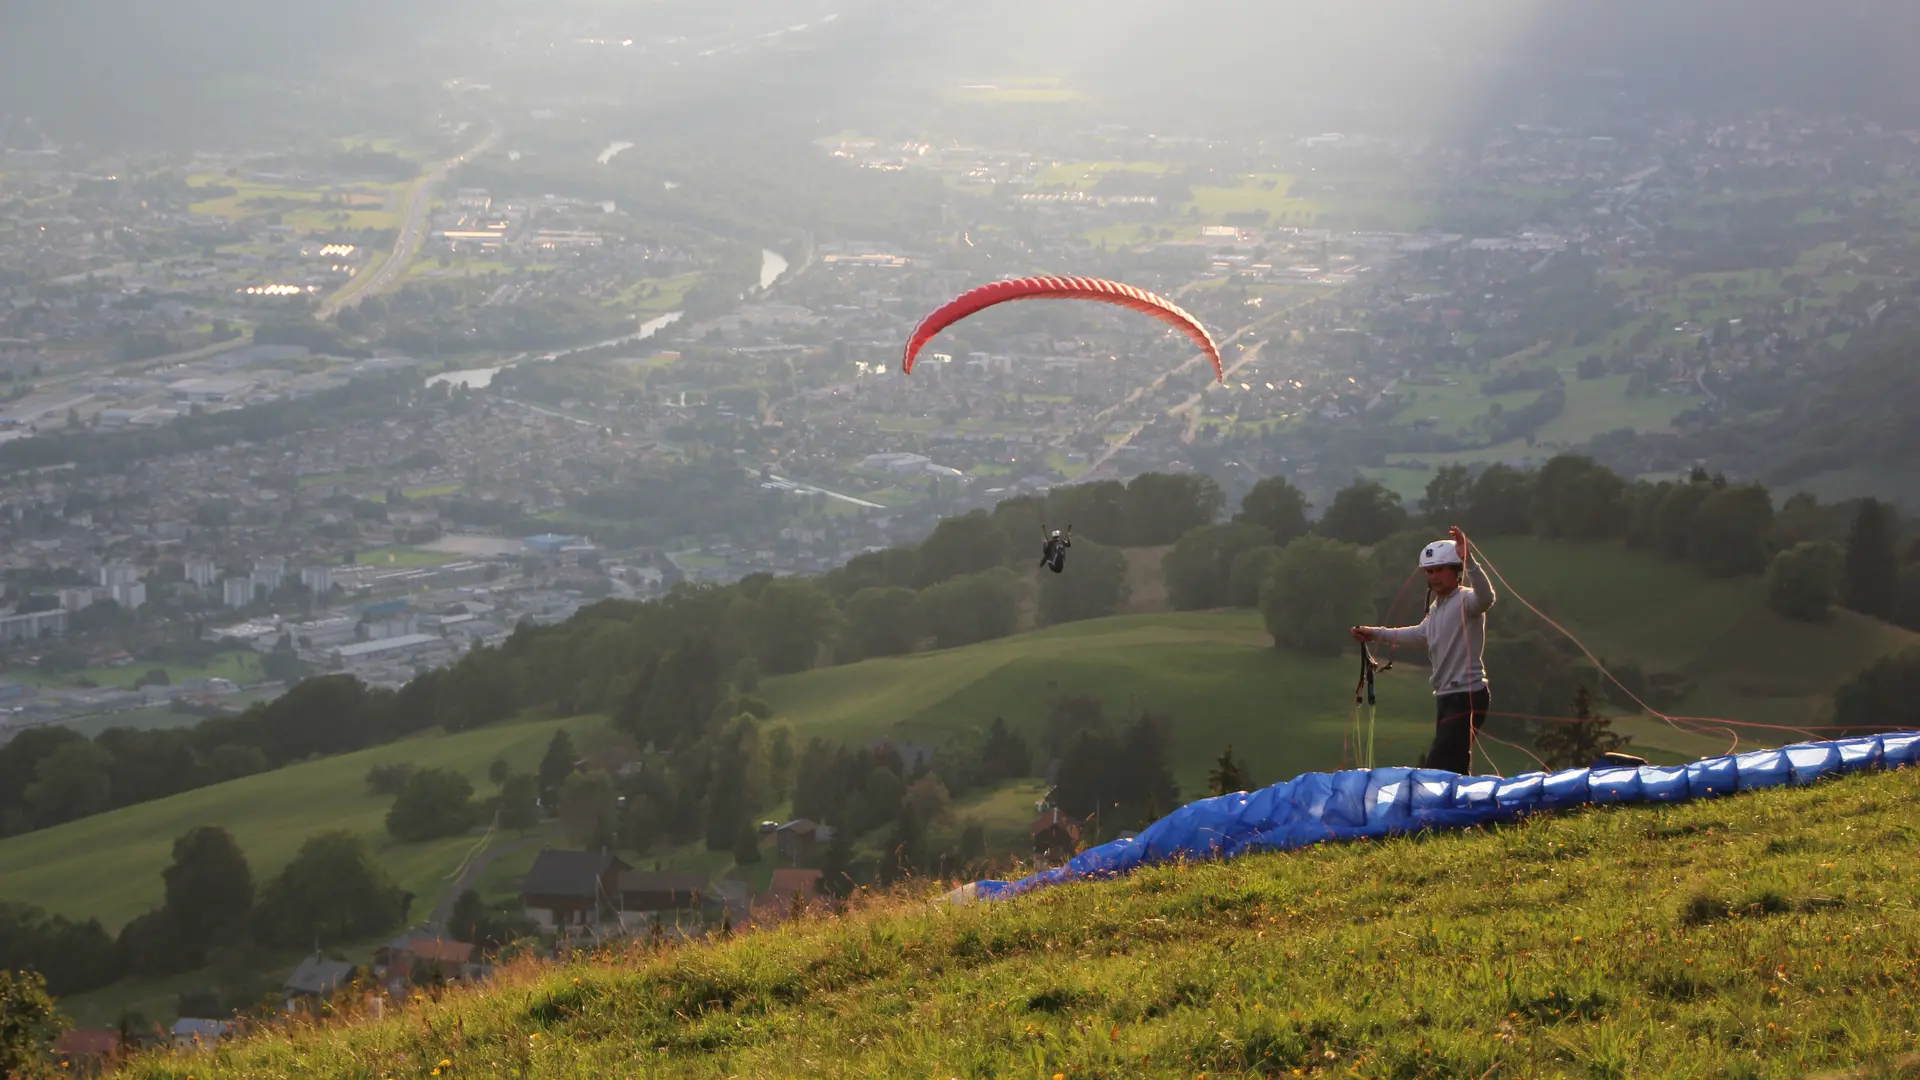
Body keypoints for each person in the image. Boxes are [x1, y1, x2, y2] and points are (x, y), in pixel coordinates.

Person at [1350, 525, 1496, 774]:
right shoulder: (1437, 608)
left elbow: (1486, 597)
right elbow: (1419, 634)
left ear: (1456, 571)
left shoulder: (1466, 600)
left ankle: (1437, 811)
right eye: (1429, 572)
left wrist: (1468, 560)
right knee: (1454, 764)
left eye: (1440, 570)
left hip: (1466, 694)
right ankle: (1465, 810)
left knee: (1439, 766)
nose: (1434, 576)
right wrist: (1375, 633)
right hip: (1447, 696)